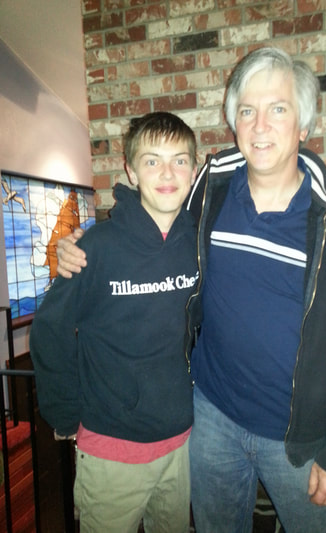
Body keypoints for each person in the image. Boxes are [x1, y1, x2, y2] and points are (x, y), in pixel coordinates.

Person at [55, 48, 326, 533]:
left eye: (278, 109)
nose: (260, 125)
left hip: (300, 442)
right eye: (247, 111)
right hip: (211, 421)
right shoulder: (210, 188)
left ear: (303, 125)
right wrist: (79, 245)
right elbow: (151, 227)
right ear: (233, 123)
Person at [29, 112, 199, 533]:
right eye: (152, 161)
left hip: (180, 444)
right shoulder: (95, 248)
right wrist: (64, 415)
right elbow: (49, 331)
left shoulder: (197, 244)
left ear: (194, 171)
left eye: (179, 160)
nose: (167, 173)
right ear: (131, 171)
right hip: (111, 453)